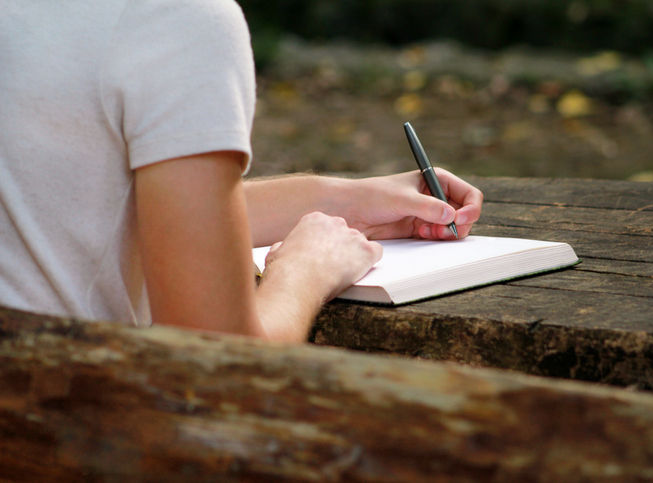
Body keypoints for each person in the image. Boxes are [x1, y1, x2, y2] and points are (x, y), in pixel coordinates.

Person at [0, 0, 482, 343]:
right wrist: (304, 271)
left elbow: (84, 206)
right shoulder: (177, 19)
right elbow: (214, 364)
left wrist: (340, 199)